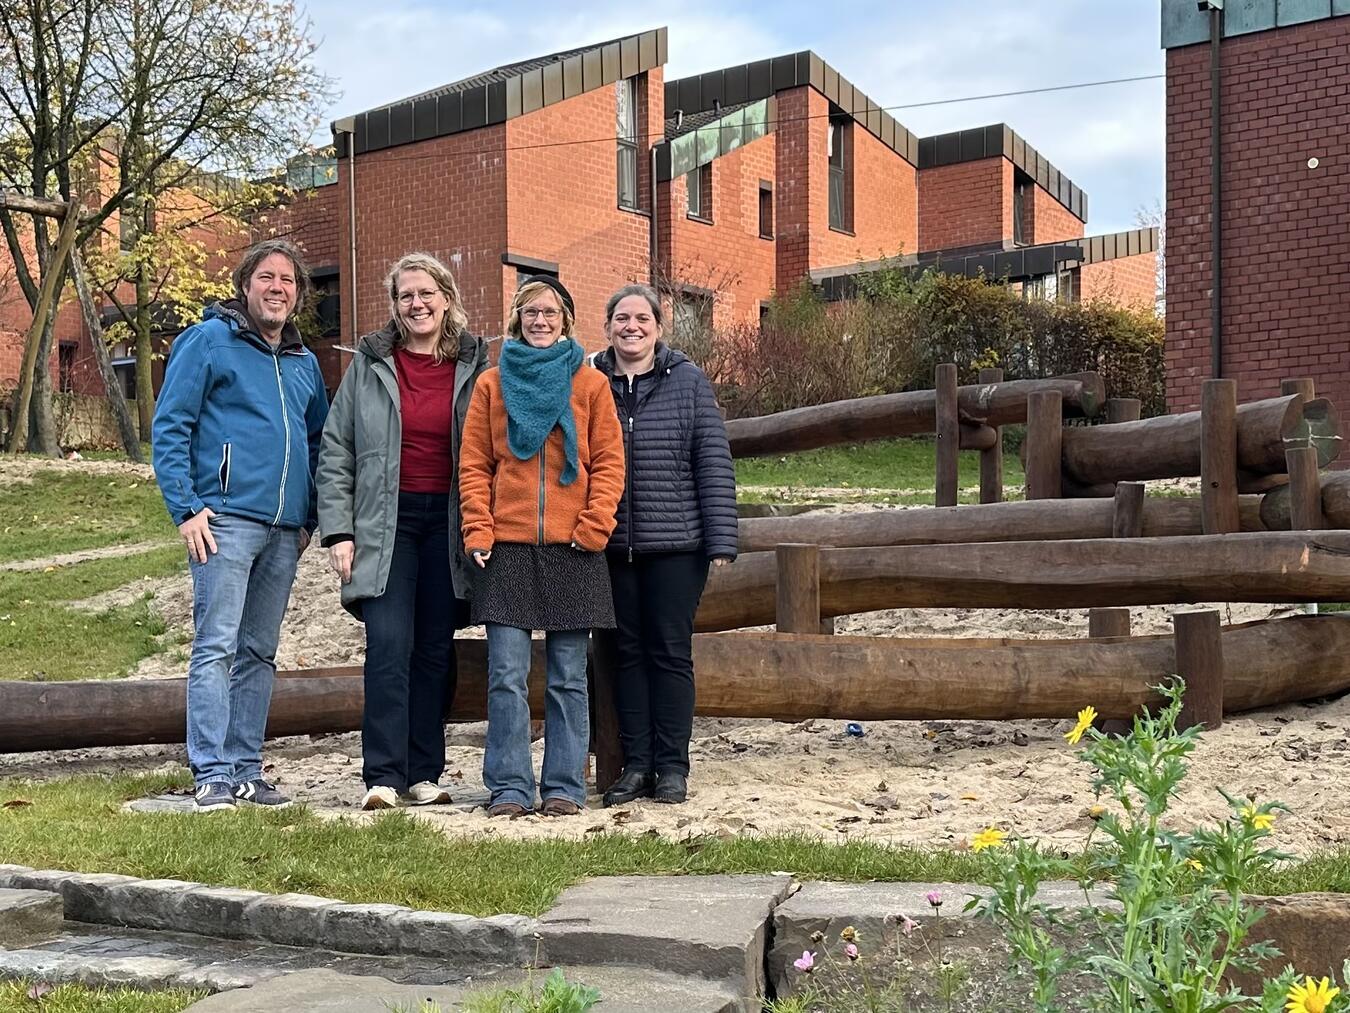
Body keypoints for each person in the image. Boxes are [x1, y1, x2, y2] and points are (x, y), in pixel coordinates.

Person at [152, 239, 328, 813]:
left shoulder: (303, 364)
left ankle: (247, 770)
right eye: (266, 278)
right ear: (245, 285)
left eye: (288, 281)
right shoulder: (208, 342)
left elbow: (318, 442)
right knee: (216, 646)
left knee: (260, 651)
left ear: (298, 294)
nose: (277, 288)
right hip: (223, 521)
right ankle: (211, 773)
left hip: (284, 532)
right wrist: (187, 508)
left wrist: (310, 518)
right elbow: (171, 425)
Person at [316, 253, 488, 811]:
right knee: (388, 644)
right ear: (395, 306)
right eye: (405, 296)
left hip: (450, 522)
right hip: (384, 525)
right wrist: (338, 531)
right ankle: (382, 777)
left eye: (426, 293)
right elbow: (337, 448)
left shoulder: (476, 363)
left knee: (436, 649)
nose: (417, 304)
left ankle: (424, 773)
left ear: (447, 298)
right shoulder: (370, 364)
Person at [459, 275, 625, 817]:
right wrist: (478, 528)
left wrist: (594, 525)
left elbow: (607, 463)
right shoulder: (490, 384)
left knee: (567, 677)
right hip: (506, 547)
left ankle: (563, 787)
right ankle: (508, 786)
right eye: (530, 311)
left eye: (550, 311)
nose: (540, 319)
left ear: (566, 319)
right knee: (506, 676)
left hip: (574, 548)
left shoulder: (590, 384)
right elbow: (476, 465)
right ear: (516, 318)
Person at [592, 284, 737, 807]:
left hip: (676, 545)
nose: (631, 327)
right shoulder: (590, 381)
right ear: (607, 326)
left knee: (670, 654)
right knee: (625, 656)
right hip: (610, 547)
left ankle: (673, 767)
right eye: (621, 319)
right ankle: (637, 765)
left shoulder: (688, 381)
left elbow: (713, 462)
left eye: (642, 319)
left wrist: (721, 538)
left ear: (658, 326)